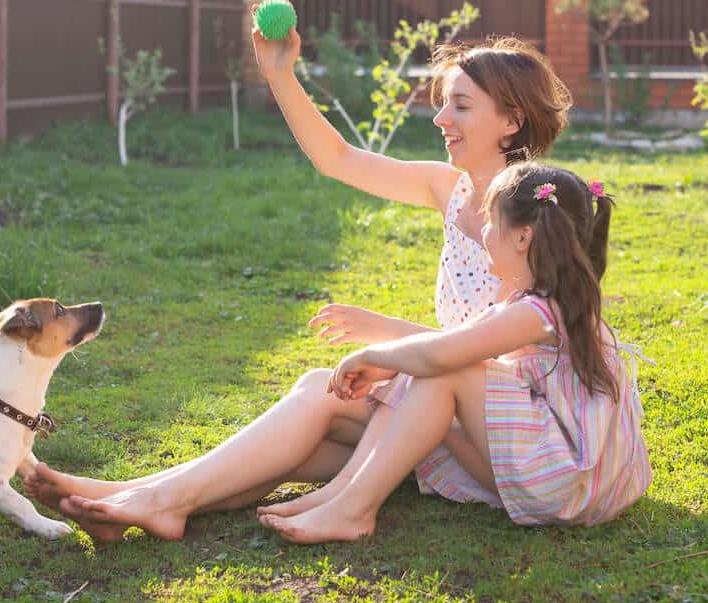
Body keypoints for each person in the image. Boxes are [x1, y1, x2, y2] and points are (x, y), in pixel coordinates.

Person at [23, 19, 573, 541]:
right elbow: (337, 158)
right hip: (445, 403)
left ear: (511, 120)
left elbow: (502, 350)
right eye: (443, 103)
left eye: (461, 105)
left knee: (316, 419)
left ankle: (153, 499)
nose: (440, 119)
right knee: (309, 410)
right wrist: (280, 74)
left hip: (510, 429)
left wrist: (387, 334)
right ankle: (137, 496)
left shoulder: (537, 218)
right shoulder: (448, 189)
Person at [260, 162, 651, 544]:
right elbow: (451, 346)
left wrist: (374, 357)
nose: (482, 231)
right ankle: (336, 494)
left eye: (491, 222)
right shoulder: (534, 304)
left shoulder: (540, 312)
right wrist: (391, 358)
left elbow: (443, 354)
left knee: (448, 369)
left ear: (522, 237)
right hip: (548, 472)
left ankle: (353, 508)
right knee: (345, 431)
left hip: (563, 480)